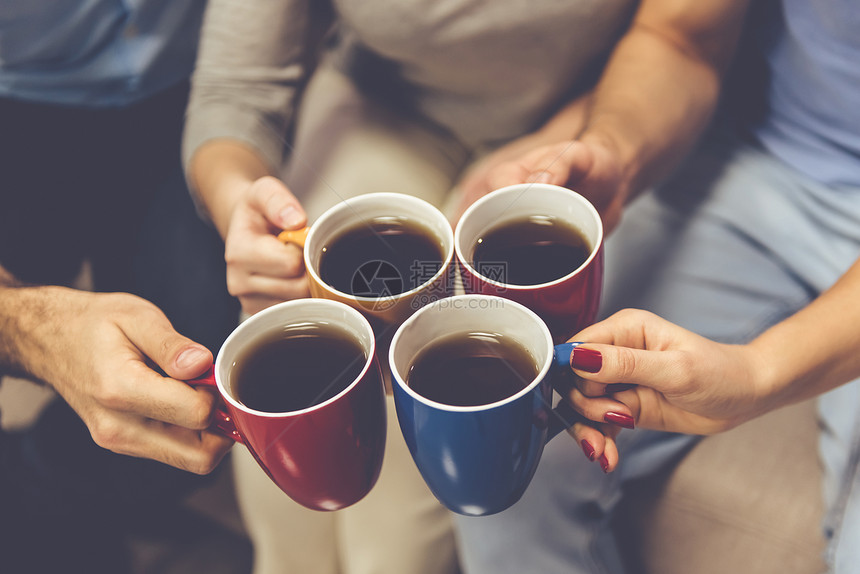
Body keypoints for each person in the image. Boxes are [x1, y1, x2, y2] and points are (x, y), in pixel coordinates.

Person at [183, 0, 752, 572]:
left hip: (588, 114)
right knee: (290, 490)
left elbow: (680, 39)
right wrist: (238, 204)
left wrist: (582, 141)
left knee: (394, 539)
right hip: (384, 104)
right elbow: (233, 91)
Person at [454, 0, 860, 572]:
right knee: (512, 441)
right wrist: (614, 150)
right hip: (756, 163)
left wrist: (757, 372)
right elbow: (680, 37)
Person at [0, 1, 240, 571]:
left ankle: (71, 492)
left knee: (184, 400)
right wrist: (33, 330)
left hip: (184, 90)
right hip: (17, 105)